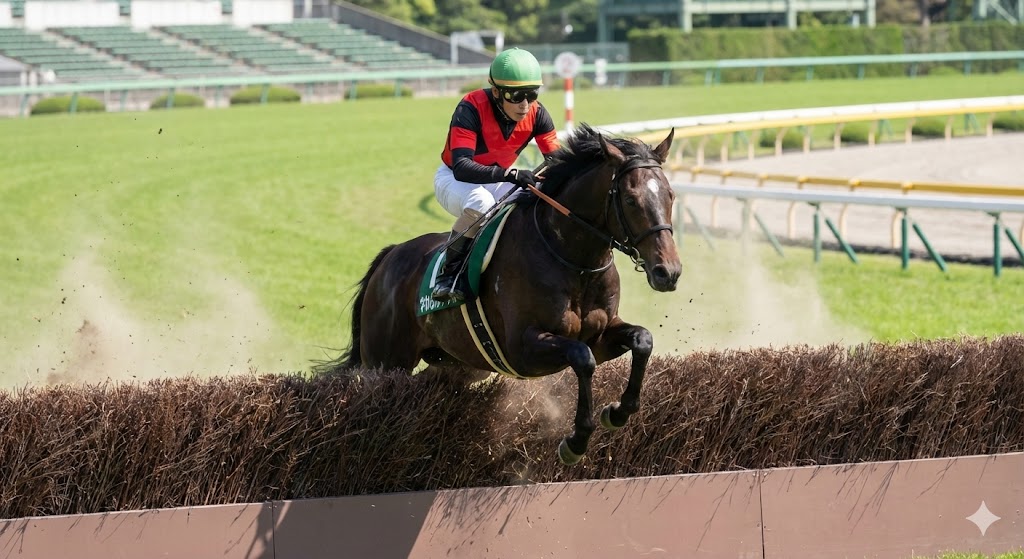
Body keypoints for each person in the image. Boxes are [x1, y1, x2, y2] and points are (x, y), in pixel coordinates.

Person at [432, 47, 561, 303]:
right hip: (454, 179)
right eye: (516, 95)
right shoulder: (471, 107)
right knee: (482, 203)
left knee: (535, 199)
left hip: (497, 179)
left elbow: (558, 161)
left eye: (532, 94)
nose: (525, 105)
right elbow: (462, 166)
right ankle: (448, 275)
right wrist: (511, 173)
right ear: (496, 92)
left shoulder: (538, 114)